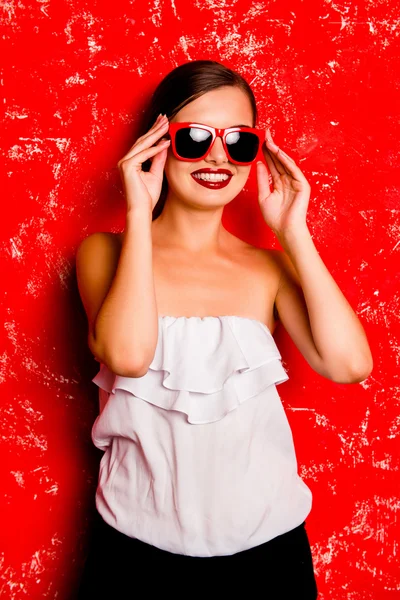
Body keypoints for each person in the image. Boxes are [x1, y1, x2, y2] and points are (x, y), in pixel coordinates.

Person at [75, 60, 373, 596]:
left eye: (239, 140)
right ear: (157, 142)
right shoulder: (105, 253)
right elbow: (127, 355)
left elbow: (349, 365)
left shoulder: (268, 268)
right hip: (133, 552)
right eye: (193, 137)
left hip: (268, 555)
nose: (218, 155)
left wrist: (293, 231)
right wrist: (138, 212)